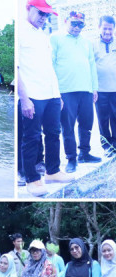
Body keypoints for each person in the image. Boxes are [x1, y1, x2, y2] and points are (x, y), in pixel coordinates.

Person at [18, 0, 74, 197]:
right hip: (32, 94)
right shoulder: (20, 32)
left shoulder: (44, 36)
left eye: (46, 15)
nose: (43, 18)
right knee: (31, 137)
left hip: (50, 94)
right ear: (28, 8)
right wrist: (24, 99)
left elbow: (49, 68)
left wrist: (57, 94)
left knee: (53, 133)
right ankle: (31, 179)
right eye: (40, 13)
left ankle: (53, 171)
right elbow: (16, 70)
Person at [51, 11, 101, 173]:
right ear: (65, 21)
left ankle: (84, 153)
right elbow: (51, 64)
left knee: (86, 123)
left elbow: (92, 64)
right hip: (65, 91)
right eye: (73, 23)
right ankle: (71, 159)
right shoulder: (56, 38)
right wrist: (55, 92)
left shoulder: (86, 42)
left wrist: (94, 88)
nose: (77, 27)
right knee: (68, 127)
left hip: (86, 90)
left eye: (80, 24)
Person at [93, 16, 116, 156]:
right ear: (99, 28)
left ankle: (115, 143)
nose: (107, 31)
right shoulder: (93, 44)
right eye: (105, 28)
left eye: (110, 28)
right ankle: (106, 146)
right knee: (103, 119)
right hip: (100, 90)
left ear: (114, 29)